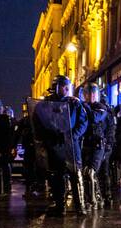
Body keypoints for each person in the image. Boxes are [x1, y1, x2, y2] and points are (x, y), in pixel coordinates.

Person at [37, 75, 88, 216]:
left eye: (65, 86)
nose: (63, 89)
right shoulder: (47, 103)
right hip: (56, 145)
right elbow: (41, 123)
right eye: (61, 86)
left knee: (76, 174)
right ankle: (60, 206)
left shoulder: (75, 103)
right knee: (57, 176)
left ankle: (80, 206)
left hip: (71, 144)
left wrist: (73, 136)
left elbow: (83, 123)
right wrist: (49, 139)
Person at [81, 83, 108, 210]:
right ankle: (94, 196)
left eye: (92, 93)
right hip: (86, 144)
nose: (89, 95)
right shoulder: (83, 106)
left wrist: (84, 106)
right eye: (87, 93)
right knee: (85, 172)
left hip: (98, 145)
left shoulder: (100, 107)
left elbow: (94, 117)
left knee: (91, 172)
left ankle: (93, 201)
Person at [13, 105, 40, 198]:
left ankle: (33, 187)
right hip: (31, 147)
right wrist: (14, 146)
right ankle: (31, 188)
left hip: (37, 148)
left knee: (34, 168)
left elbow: (17, 134)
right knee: (29, 168)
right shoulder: (26, 121)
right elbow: (17, 134)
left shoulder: (33, 120)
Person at [98, 91, 116, 207]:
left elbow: (111, 130)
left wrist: (108, 145)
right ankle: (103, 195)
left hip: (105, 145)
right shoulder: (102, 111)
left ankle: (107, 196)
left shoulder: (108, 113)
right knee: (102, 171)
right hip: (102, 145)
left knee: (104, 171)